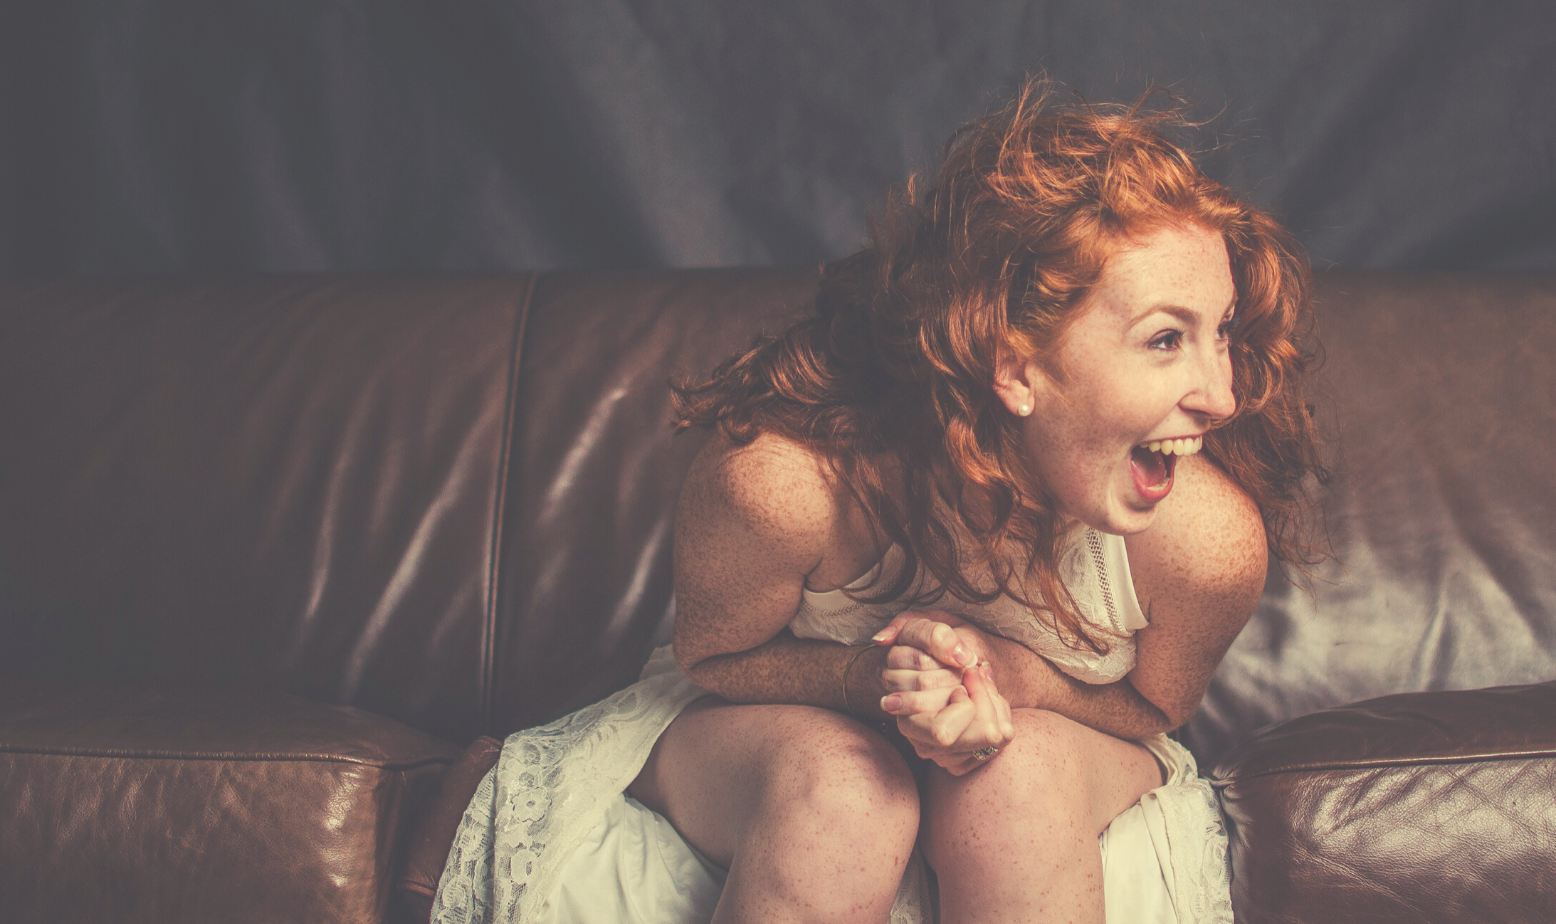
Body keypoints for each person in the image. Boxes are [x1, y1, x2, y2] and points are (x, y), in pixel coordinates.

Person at [432, 83, 1323, 924]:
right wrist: (875, 685)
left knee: (1016, 783)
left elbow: (1151, 709)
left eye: (1224, 334)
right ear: (1013, 365)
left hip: (1061, 760)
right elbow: (714, 656)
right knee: (848, 788)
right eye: (1167, 338)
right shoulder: (780, 486)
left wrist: (1016, 683)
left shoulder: (1205, 544)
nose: (1221, 394)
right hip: (768, 740)